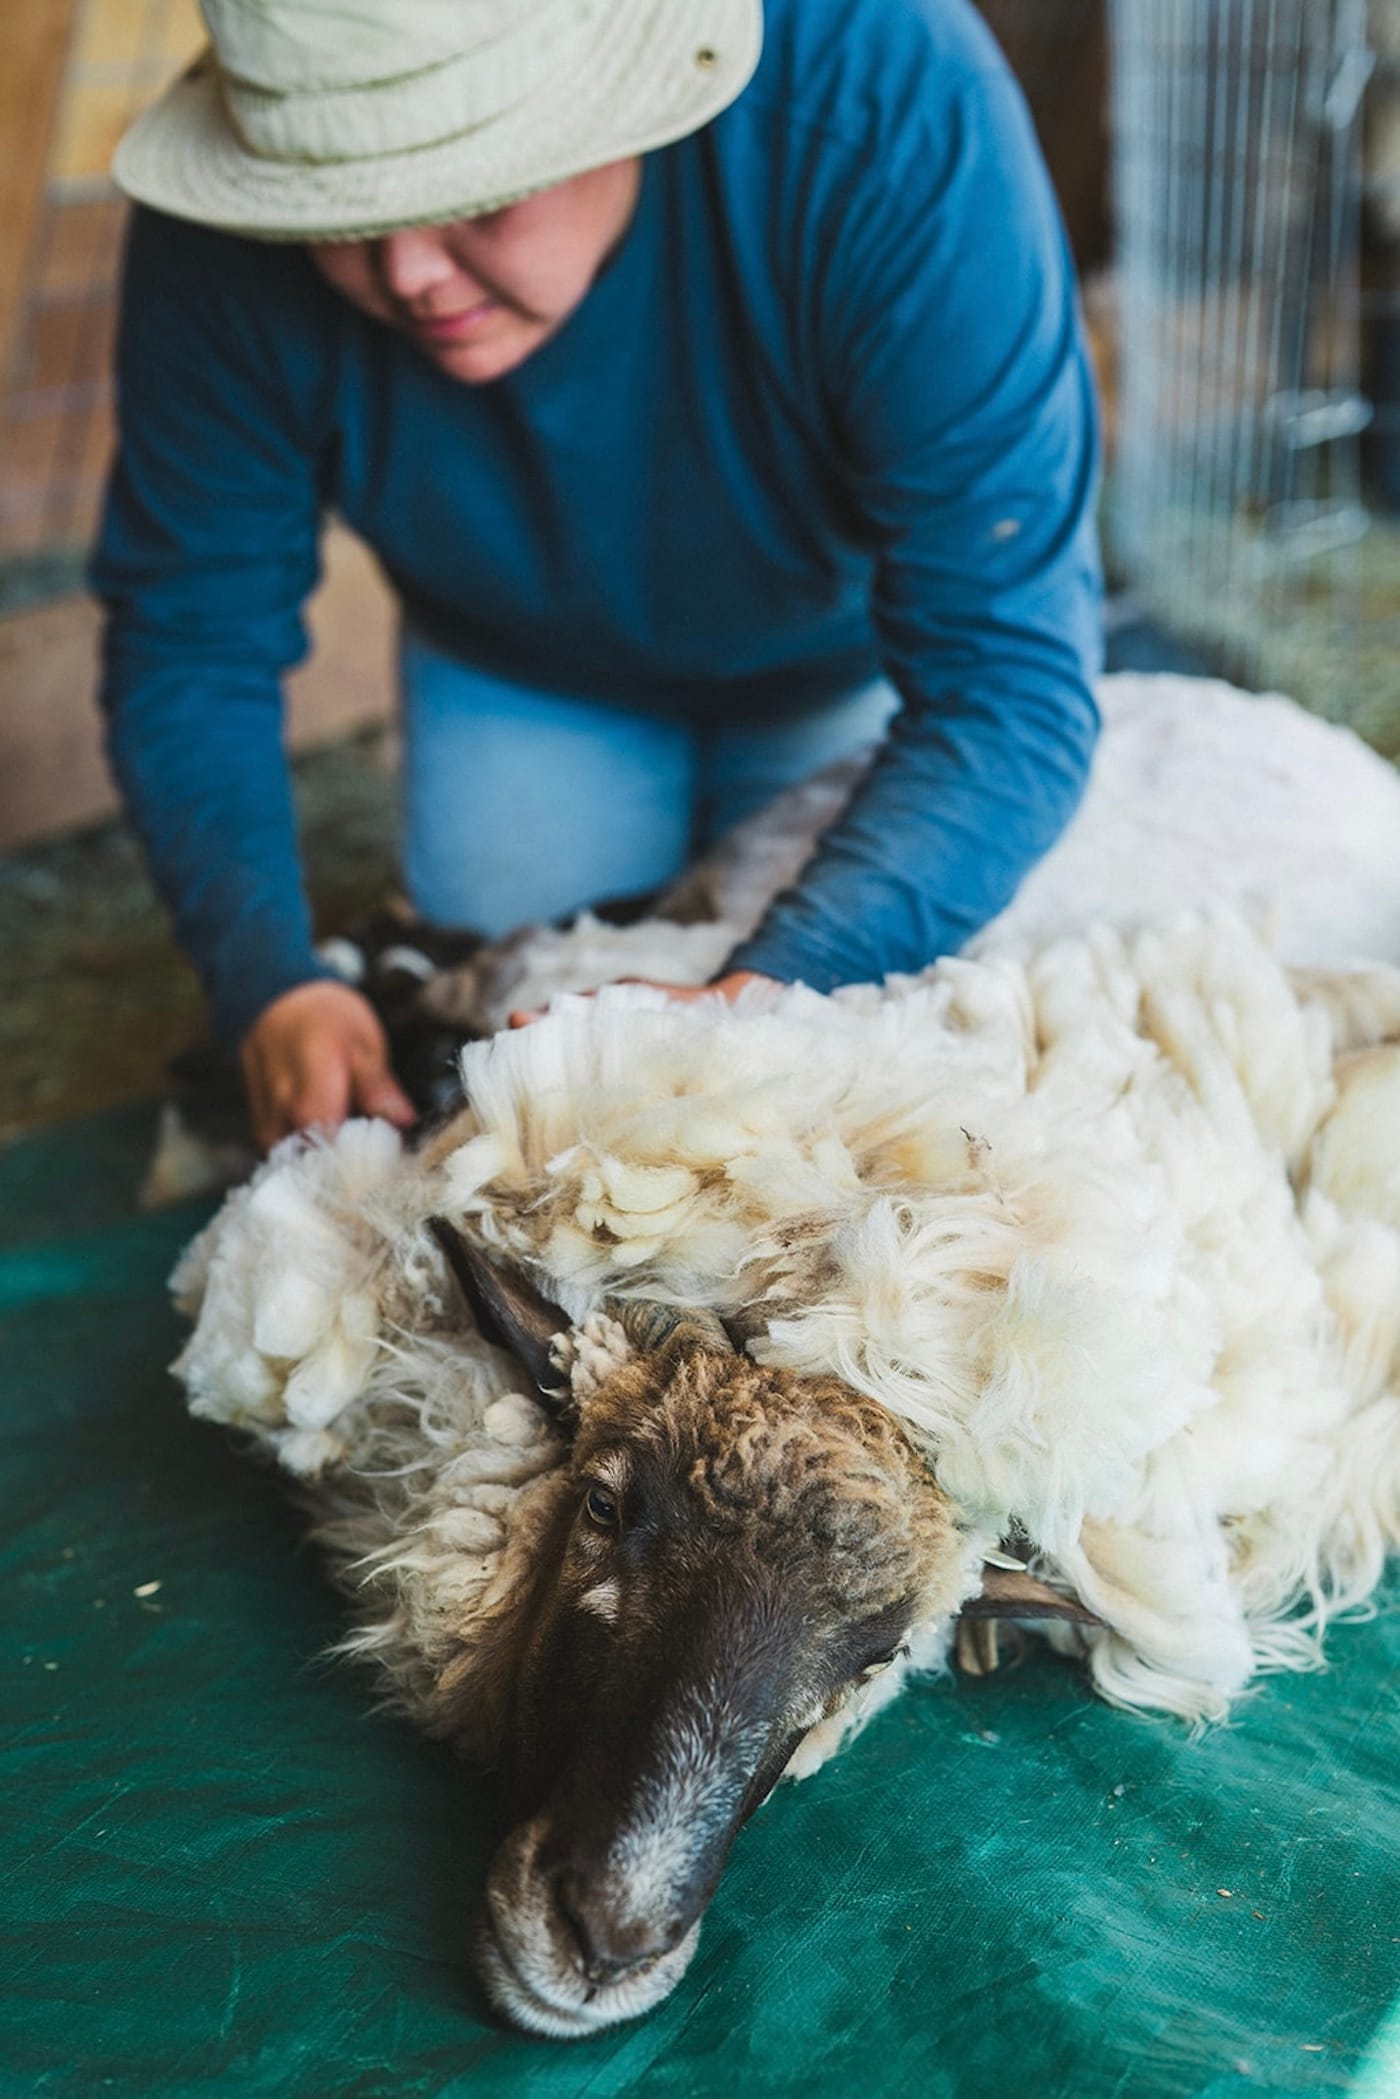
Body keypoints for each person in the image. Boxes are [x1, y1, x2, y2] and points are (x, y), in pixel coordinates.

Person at [93, 0, 1102, 1153]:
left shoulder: (886, 109)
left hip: (845, 654)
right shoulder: (242, 194)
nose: (410, 271)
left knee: (871, 1014)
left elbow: (1007, 684)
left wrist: (775, 994)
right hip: (517, 656)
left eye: (472, 197)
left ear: (627, 93)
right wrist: (266, 979)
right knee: (505, 1022)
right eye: (344, 214)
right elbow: (190, 633)